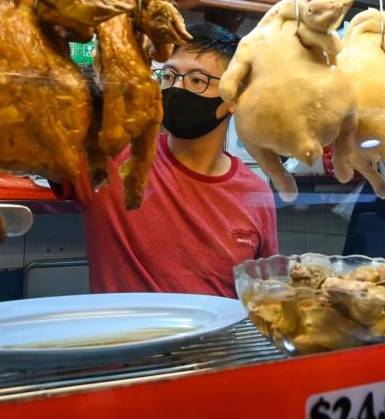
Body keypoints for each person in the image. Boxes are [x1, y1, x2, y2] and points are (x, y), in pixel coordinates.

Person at [72, 21, 278, 297]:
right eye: (168, 76)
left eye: (197, 80)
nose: (175, 89)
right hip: (125, 337)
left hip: (219, 340)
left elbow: (265, 294)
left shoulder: (255, 192)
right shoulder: (111, 159)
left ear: (235, 97)